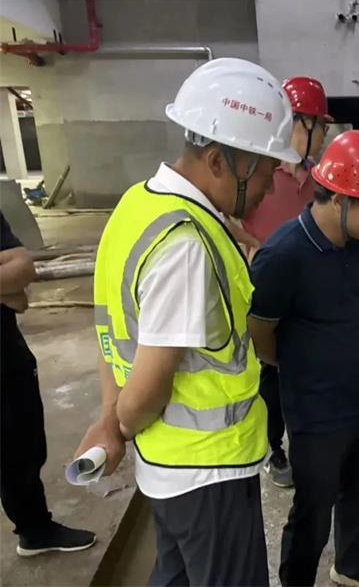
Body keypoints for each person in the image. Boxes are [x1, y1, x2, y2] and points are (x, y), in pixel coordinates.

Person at [74, 58, 300, 586]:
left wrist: (109, 414)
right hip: (208, 474)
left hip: (170, 470)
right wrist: (117, 425)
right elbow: (149, 386)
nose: (272, 186)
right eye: (266, 170)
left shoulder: (139, 205)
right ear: (219, 161)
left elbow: (112, 335)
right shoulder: (185, 249)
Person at [248, 130, 359, 587]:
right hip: (316, 411)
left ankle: (350, 564)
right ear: (340, 199)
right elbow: (260, 334)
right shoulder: (283, 256)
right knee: (313, 509)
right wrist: (299, 369)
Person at [230, 76, 332, 489]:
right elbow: (221, 216)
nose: (324, 136)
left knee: (305, 369)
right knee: (269, 376)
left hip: (307, 293)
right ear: (298, 124)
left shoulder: (318, 178)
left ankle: (308, 437)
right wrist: (255, 245)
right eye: (320, 126)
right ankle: (273, 447)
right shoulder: (260, 172)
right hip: (265, 293)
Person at [0, 212, 96, 557]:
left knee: (22, 447)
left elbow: (22, 269)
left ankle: (35, 529)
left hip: (7, 356)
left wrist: (12, 288)